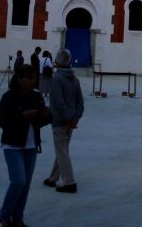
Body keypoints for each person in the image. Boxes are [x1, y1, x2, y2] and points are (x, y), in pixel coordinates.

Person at [0, 65, 51, 227]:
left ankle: (18, 218)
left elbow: (40, 122)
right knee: (18, 181)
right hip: (12, 144)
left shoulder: (37, 96)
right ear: (19, 79)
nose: (32, 81)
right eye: (28, 78)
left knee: (25, 185)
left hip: (31, 146)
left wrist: (47, 116)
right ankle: (4, 215)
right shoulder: (8, 97)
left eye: (34, 78)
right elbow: (2, 121)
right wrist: (22, 116)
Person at [43, 49, 85, 193]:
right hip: (71, 122)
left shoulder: (56, 79)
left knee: (62, 151)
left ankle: (69, 182)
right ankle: (53, 178)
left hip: (60, 121)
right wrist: (75, 118)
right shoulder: (75, 79)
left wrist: (68, 118)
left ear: (57, 61)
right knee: (63, 150)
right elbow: (80, 102)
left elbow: (59, 103)